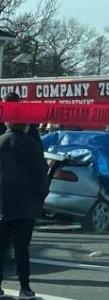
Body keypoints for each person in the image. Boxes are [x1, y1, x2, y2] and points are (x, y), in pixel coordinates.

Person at [0, 118, 49, 299]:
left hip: (2, 204)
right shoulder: (32, 145)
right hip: (25, 205)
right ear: (26, 125)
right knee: (22, 248)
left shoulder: (1, 142)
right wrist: (39, 198)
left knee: (1, 247)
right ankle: (25, 288)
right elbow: (41, 174)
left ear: (7, 123)